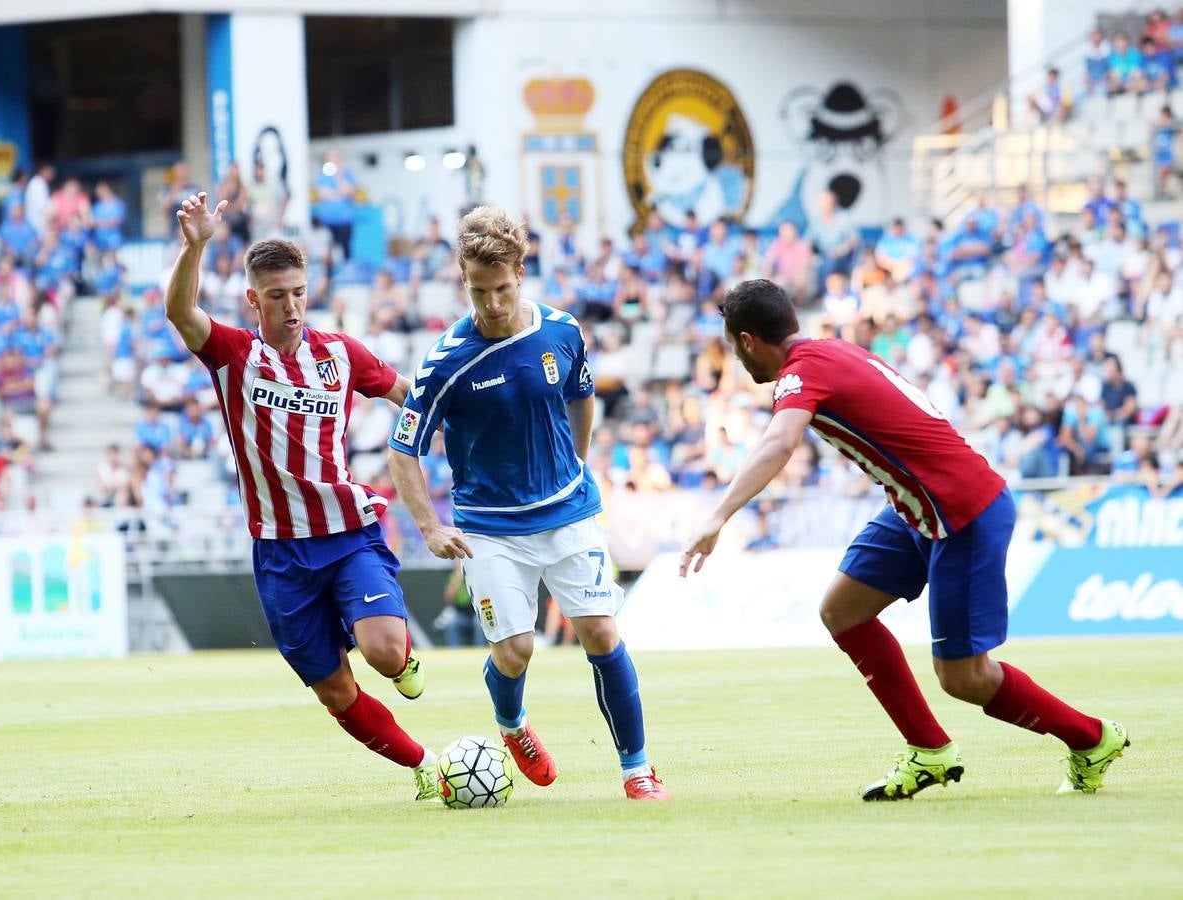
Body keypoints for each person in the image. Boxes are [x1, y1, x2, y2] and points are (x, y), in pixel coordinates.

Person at [680, 278, 1129, 800]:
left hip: (963, 512)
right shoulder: (830, 350)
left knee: (964, 677)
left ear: (748, 340)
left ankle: (1091, 738)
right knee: (841, 610)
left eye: (734, 346)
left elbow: (781, 442)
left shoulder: (799, 375)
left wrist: (719, 516)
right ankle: (930, 751)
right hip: (917, 507)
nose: (738, 358)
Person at [386, 206, 670, 800]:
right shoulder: (444, 362)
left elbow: (582, 396)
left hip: (567, 511)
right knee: (516, 651)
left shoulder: (563, 332)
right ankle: (512, 725)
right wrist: (431, 526)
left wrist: (581, 464)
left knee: (600, 632)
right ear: (463, 280)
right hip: (490, 527)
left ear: (522, 271)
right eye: (478, 291)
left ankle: (637, 771)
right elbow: (403, 448)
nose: (491, 304)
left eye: (503, 289)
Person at [164, 190, 440, 801]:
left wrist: (459, 429)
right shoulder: (235, 356)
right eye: (276, 295)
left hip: (346, 533)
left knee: (385, 652)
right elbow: (180, 311)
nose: (291, 306)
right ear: (252, 299)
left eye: (298, 292)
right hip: (281, 554)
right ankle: (426, 767)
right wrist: (197, 246)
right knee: (337, 691)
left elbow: (408, 396)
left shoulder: (340, 354)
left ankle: (403, 662)